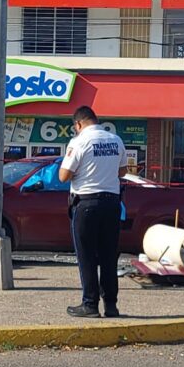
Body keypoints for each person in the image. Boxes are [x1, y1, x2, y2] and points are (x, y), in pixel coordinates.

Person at [59, 106, 128, 318]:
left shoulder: (79, 141)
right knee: (108, 255)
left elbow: (63, 175)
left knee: (87, 256)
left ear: (78, 124)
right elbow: (123, 171)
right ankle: (111, 305)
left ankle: (90, 304)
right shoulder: (115, 140)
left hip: (86, 203)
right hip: (112, 203)